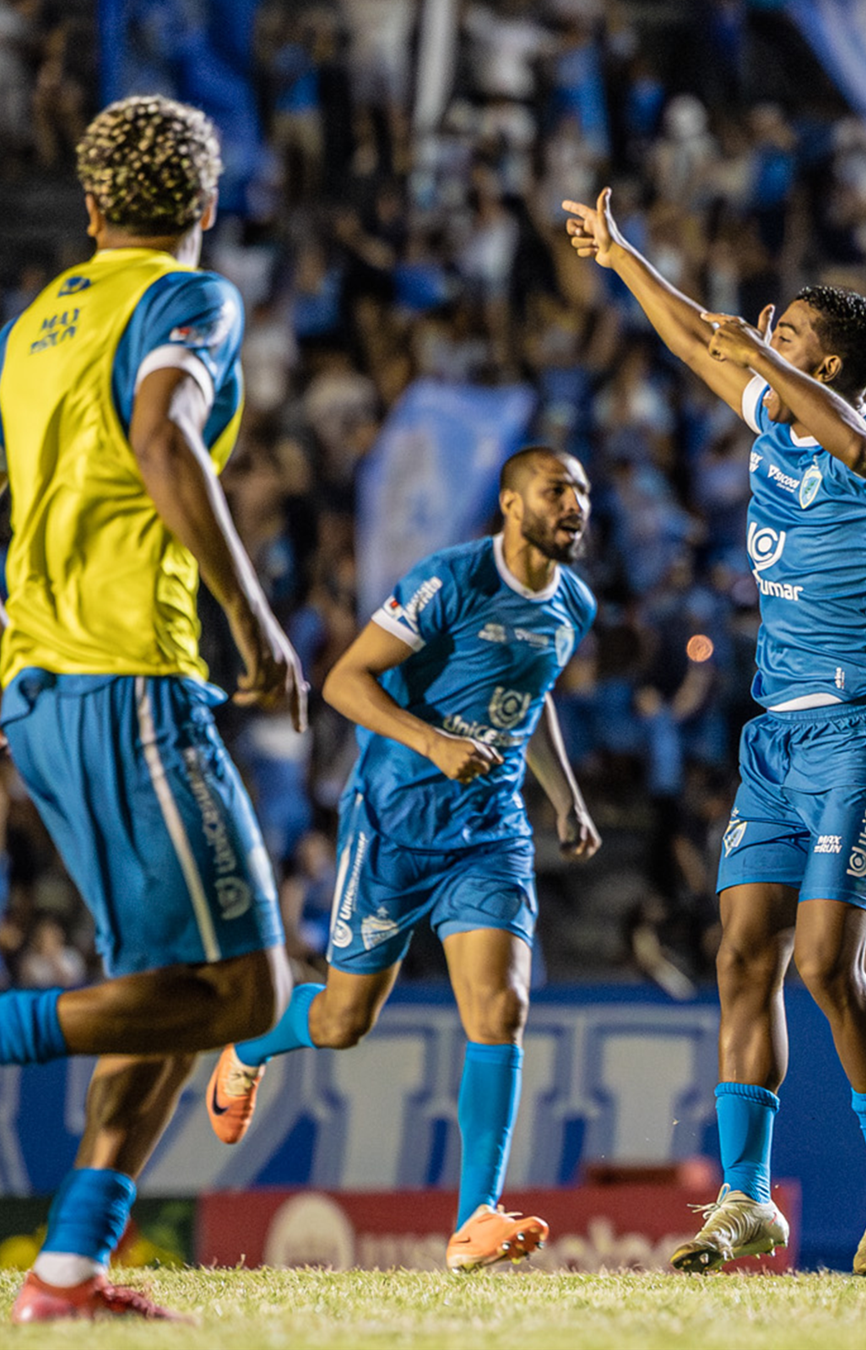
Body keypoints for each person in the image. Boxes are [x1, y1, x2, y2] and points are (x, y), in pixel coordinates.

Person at [0, 94, 308, 1322]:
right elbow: (166, 439)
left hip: (50, 693)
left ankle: (68, 1267)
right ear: (204, 206)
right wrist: (255, 613)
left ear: (88, 210)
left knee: (165, 986)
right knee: (251, 991)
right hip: (134, 678)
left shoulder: (31, 327)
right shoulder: (189, 300)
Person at [564, 188, 866, 1275]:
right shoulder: (777, 406)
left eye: (792, 338)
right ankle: (742, 1196)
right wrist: (624, 254)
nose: (768, 341)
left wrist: (765, 362)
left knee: (826, 964)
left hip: (860, 734)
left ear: (831, 365)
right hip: (775, 739)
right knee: (741, 955)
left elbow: (838, 426)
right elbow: (690, 336)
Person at [204, 447, 601, 1273]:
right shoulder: (450, 580)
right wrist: (431, 739)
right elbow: (344, 683)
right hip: (393, 824)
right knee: (344, 1022)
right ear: (509, 504)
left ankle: (474, 1220)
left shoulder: (574, 605)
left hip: (489, 836)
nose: (576, 504)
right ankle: (250, 1047)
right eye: (557, 490)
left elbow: (533, 698)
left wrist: (565, 798)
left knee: (502, 1011)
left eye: (584, 492)